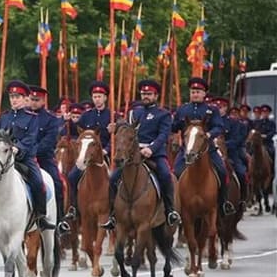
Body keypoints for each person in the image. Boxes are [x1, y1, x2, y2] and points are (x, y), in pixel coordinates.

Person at [0, 80, 56, 235]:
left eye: (17, 97)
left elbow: (31, 139)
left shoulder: (32, 118)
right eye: (12, 97)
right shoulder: (3, 117)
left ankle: (41, 216)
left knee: (39, 183)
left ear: (25, 99)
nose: (14, 100)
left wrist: (18, 148)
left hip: (24, 159)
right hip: (3, 160)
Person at [104, 80, 181, 230]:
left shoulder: (163, 114)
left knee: (166, 175)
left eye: (149, 94)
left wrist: (151, 149)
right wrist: (117, 127)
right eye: (144, 93)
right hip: (132, 155)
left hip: (154, 154)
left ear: (156, 96)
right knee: (113, 178)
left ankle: (170, 210)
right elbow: (127, 129)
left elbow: (163, 135)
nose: (146, 96)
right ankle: (113, 214)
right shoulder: (134, 112)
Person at [171, 77, 236, 217]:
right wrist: (173, 123)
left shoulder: (211, 110)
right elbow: (175, 126)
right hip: (187, 151)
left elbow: (219, 126)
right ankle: (175, 208)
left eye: (198, 91)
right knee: (175, 173)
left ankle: (223, 202)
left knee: (222, 172)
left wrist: (208, 134)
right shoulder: (183, 109)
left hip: (208, 150)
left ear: (204, 94)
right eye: (193, 91)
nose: (195, 94)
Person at [66, 81, 112, 227]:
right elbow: (76, 134)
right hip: (87, 157)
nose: (97, 99)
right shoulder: (86, 116)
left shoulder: (112, 116)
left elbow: (117, 138)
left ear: (105, 98)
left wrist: (108, 148)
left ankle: (114, 212)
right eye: (94, 96)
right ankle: (73, 207)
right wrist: (67, 122)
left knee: (117, 179)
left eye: (99, 96)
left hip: (105, 155)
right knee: (72, 177)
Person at [28, 85, 70, 234]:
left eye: (36, 100)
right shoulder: (23, 116)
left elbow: (49, 141)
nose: (33, 102)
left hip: (43, 158)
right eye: (31, 99)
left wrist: (32, 152)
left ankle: (59, 220)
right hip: (23, 158)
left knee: (58, 183)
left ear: (43, 100)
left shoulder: (51, 119)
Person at [224, 104, 249, 207]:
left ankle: (243, 198)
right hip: (218, 151)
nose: (233, 116)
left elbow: (238, 139)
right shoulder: (223, 122)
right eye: (232, 114)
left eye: (235, 114)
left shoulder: (241, 125)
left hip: (234, 151)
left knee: (241, 172)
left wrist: (225, 145)